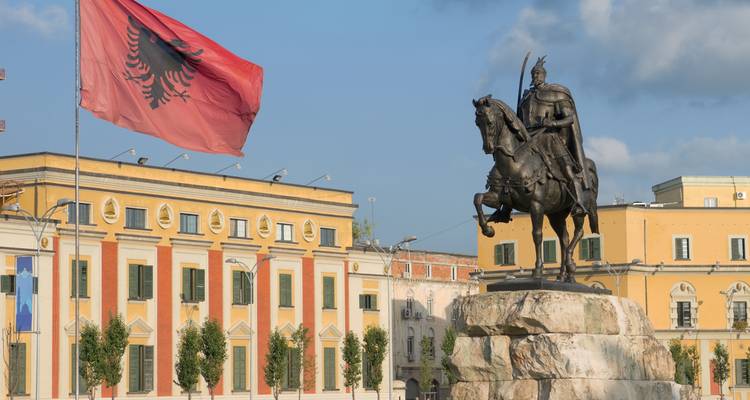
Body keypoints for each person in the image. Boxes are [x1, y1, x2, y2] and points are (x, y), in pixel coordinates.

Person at [517, 56, 590, 215]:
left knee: (567, 168)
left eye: (538, 73)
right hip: (528, 140)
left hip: (549, 138)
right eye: (533, 74)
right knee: (510, 165)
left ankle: (579, 202)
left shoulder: (555, 94)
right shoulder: (526, 98)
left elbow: (569, 118)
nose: (536, 76)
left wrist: (552, 124)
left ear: (544, 75)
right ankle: (505, 207)